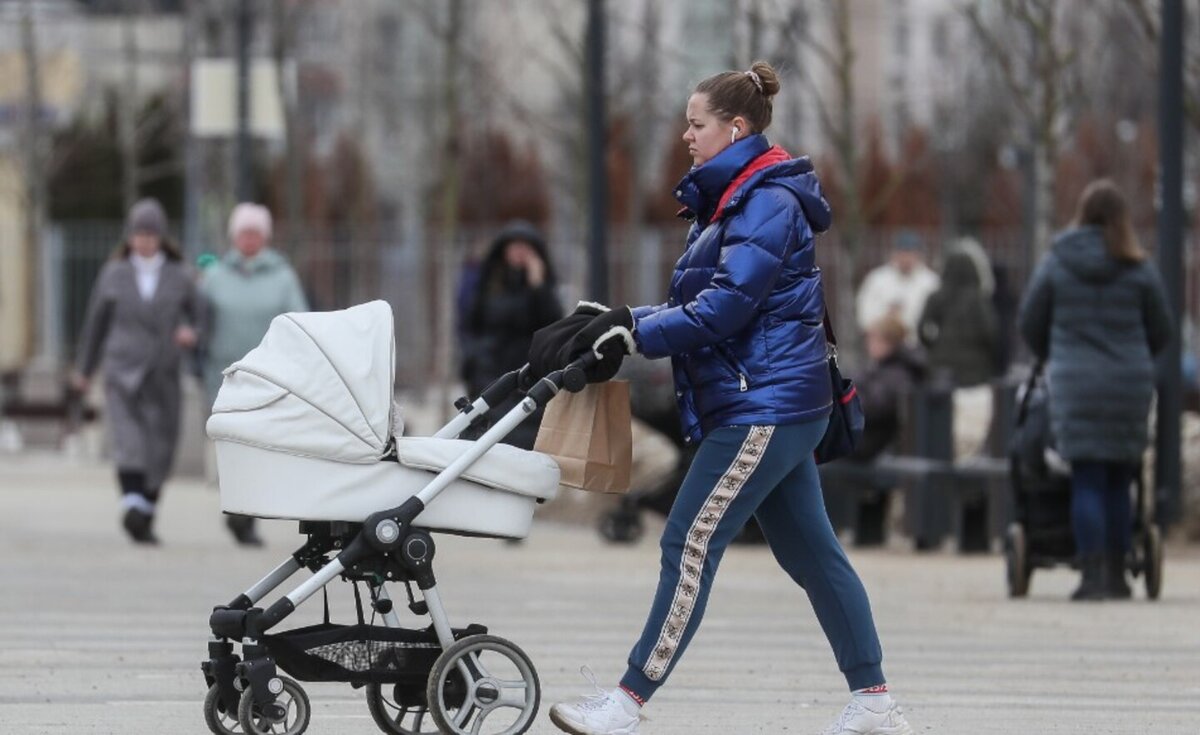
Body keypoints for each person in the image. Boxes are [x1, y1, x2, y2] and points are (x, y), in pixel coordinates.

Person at [530, 61, 912, 735]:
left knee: (689, 540)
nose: (686, 135)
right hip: (777, 400)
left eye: (696, 123)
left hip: (763, 404)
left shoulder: (763, 201)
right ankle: (875, 701)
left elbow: (725, 309)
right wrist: (617, 318)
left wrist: (639, 331)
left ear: (735, 128)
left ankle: (626, 701)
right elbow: (701, 303)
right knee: (813, 554)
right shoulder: (736, 198)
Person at [1019, 179, 1172, 601]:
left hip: (1075, 381)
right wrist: (1134, 354)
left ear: (1082, 214)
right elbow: (1162, 330)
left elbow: (1030, 321)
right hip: (1128, 383)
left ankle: (1091, 576)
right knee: (1120, 479)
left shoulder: (1058, 261)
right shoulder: (1139, 268)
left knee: (1086, 476)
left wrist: (1058, 353)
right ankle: (1119, 575)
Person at [72, 198, 205, 545]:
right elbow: (95, 324)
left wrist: (192, 333)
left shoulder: (180, 275)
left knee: (162, 445)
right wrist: (84, 370)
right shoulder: (114, 273)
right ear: (129, 236)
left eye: (150, 234)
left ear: (161, 237)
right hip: (122, 369)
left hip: (163, 371)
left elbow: (202, 315)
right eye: (138, 233)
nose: (144, 240)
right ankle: (132, 505)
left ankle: (144, 510)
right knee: (128, 440)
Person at [200, 203, 308, 546]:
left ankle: (244, 515)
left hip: (267, 377)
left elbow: (298, 321)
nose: (249, 239)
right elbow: (200, 320)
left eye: (255, 233)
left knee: (259, 445)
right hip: (222, 376)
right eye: (244, 232)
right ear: (235, 236)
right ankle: (235, 506)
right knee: (230, 443)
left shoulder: (283, 276)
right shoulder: (214, 277)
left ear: (265, 237)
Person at [459, 220, 563, 449]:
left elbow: (553, 323)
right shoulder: (488, 283)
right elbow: (470, 323)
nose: (520, 252)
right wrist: (473, 358)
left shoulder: (542, 287)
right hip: (490, 373)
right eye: (515, 246)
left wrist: (537, 285)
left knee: (524, 436)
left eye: (526, 247)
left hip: (527, 372)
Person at [918, 239, 999, 388]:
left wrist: (934, 346)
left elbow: (923, 328)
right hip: (975, 365)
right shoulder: (979, 300)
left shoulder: (936, 297)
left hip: (941, 363)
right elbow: (990, 332)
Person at [855, 316, 927, 462]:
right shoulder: (878, 367)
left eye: (874, 340)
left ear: (889, 343)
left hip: (875, 444)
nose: (870, 345)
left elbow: (874, 407)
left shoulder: (899, 373)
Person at [856, 230, 940, 341]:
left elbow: (934, 319)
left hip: (917, 344)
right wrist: (885, 319)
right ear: (894, 253)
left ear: (918, 254)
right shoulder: (877, 279)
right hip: (884, 344)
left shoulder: (931, 282)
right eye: (902, 253)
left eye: (910, 253)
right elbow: (864, 310)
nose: (906, 258)